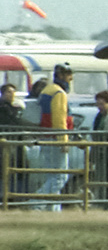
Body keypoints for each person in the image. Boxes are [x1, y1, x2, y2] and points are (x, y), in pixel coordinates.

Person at [31, 64, 75, 211]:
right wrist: (63, 140)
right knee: (60, 176)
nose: (71, 78)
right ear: (61, 76)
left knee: (52, 175)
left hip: (46, 137)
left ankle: (54, 211)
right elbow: (59, 118)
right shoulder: (59, 93)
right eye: (69, 75)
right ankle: (35, 203)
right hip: (55, 138)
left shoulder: (46, 90)